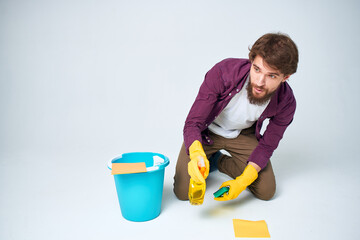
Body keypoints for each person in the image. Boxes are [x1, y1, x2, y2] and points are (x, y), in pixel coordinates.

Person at [173, 32, 298, 202]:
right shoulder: (223, 72)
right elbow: (193, 123)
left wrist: (242, 182)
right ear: (251, 61)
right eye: (257, 69)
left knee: (266, 190)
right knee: (182, 192)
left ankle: (218, 161)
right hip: (206, 133)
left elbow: (267, 146)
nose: (260, 82)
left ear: (286, 77)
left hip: (242, 134)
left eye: (272, 75)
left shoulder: (286, 102)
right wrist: (196, 154)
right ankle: (206, 156)